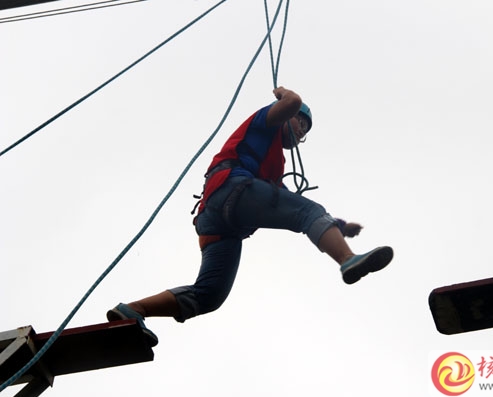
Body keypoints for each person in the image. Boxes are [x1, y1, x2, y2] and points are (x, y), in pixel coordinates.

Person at [107, 87, 393, 346]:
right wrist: (285, 94)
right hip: (230, 190)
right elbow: (293, 103)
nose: (302, 132)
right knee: (308, 211)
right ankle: (346, 259)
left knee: (210, 295)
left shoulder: (274, 164)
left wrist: (340, 226)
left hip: (219, 222)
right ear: (287, 117)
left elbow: (285, 203)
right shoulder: (264, 122)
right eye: (300, 123)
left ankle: (133, 310)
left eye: (305, 130)